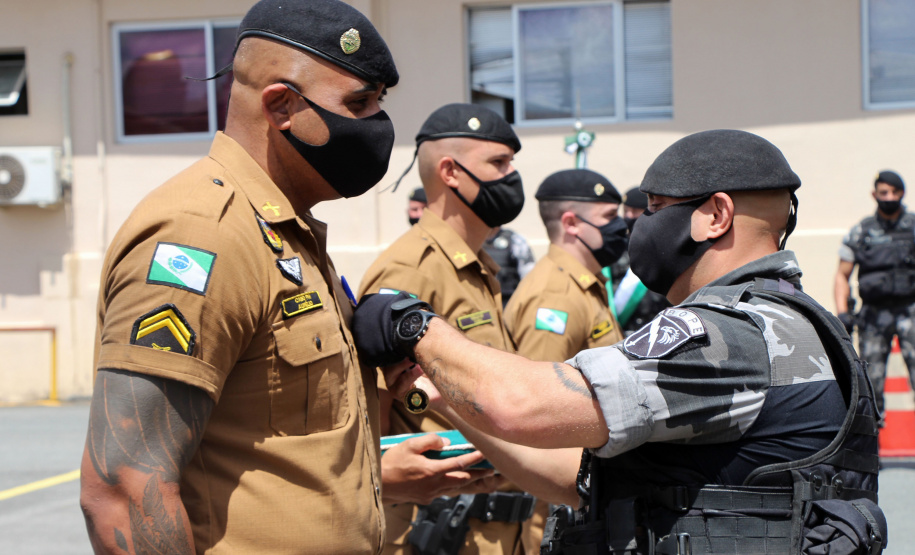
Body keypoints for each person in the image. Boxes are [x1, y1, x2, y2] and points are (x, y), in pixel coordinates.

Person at [79, 2, 494, 553]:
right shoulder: (204, 234)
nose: (376, 124)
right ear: (282, 107)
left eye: (378, 103)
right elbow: (124, 490)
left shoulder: (285, 234)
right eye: (359, 103)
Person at [354, 129, 885, 554]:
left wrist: (414, 325)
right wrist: (445, 399)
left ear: (716, 215)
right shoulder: (795, 321)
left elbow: (524, 403)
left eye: (655, 207)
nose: (640, 225)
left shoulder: (724, 334)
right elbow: (578, 477)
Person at [358, 103, 540, 555]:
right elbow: (375, 411)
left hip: (495, 528)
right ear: (450, 172)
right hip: (439, 530)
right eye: (499, 163)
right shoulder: (410, 269)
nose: (512, 175)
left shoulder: (475, 266)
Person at [504, 169, 625, 362]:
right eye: (609, 216)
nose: (620, 226)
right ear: (571, 223)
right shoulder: (555, 297)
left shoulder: (581, 281)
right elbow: (541, 379)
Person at [835, 170, 915, 416]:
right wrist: (843, 314)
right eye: (884, 192)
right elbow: (842, 275)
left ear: (902, 193)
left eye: (894, 192)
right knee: (870, 383)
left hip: (910, 309)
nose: (889, 197)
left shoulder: (913, 226)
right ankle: (872, 436)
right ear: (874, 195)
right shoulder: (862, 231)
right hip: (874, 315)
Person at [611, 186, 670, 334]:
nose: (628, 216)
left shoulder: (664, 248)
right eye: (626, 211)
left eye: (634, 211)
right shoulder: (615, 247)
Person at [483, 227, 536, 307]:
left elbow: (529, 278)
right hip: (483, 303)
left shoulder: (514, 239)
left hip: (508, 303)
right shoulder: (472, 240)